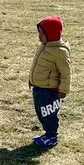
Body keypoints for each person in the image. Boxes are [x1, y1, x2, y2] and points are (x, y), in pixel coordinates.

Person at [28, 15, 71, 148]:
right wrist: (31, 80)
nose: (39, 37)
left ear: (51, 34)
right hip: (39, 88)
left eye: (42, 34)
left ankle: (52, 136)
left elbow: (66, 73)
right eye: (39, 33)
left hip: (50, 91)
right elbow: (36, 65)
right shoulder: (43, 47)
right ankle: (47, 133)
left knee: (49, 114)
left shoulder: (60, 52)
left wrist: (63, 90)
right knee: (41, 113)